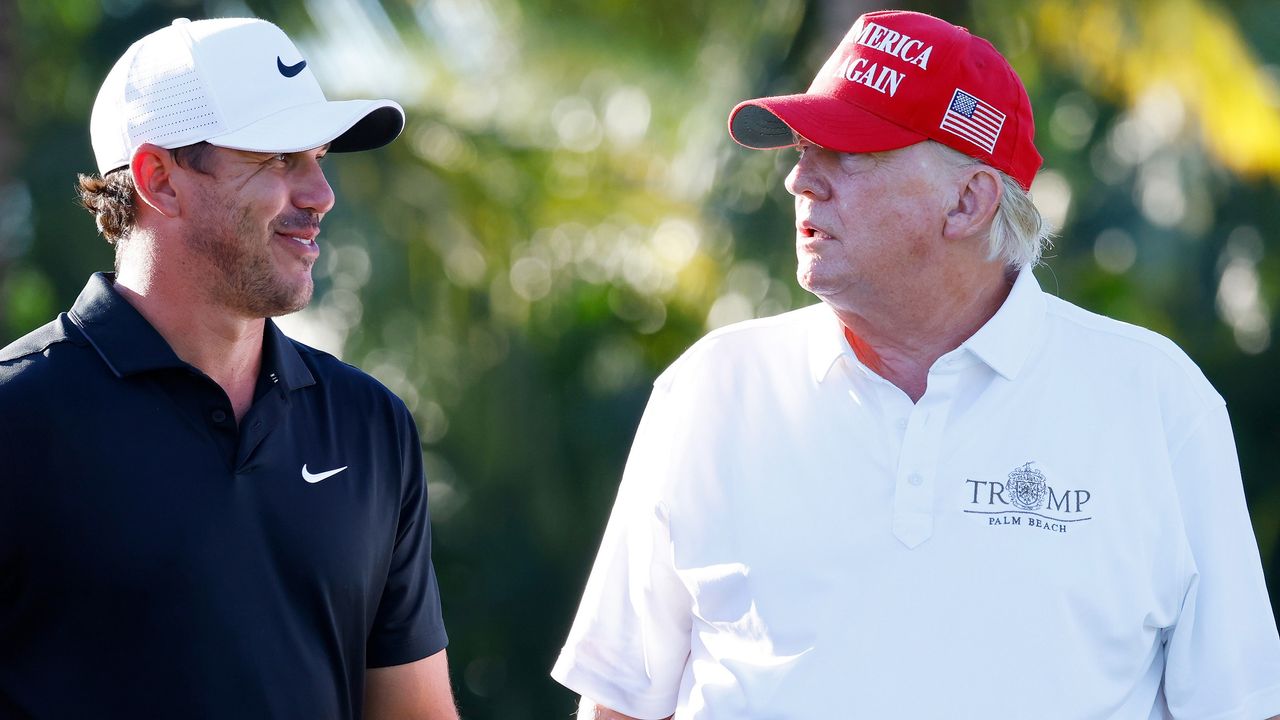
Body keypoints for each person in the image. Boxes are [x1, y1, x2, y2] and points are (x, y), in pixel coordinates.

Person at [551, 9, 1280, 719]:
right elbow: (620, 702)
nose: (799, 181)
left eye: (850, 153)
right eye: (804, 149)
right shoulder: (710, 389)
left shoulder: (1155, 403)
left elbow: (1238, 704)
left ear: (968, 201)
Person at [0, 17, 457, 719]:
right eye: (278, 160)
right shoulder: (17, 417)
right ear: (161, 179)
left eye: (320, 156)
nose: (320, 195)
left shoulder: (370, 425)